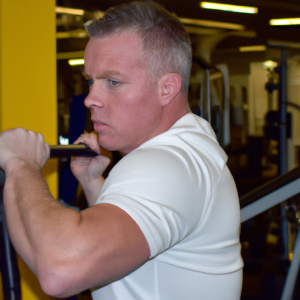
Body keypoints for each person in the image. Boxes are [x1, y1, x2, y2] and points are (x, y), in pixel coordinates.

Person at [0, 1, 243, 299]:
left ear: (166, 88)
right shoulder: (193, 145)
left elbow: (59, 271)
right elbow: (133, 253)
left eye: (112, 82)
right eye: (91, 81)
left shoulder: (164, 164)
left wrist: (22, 166)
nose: (90, 99)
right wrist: (94, 185)